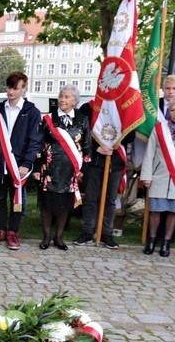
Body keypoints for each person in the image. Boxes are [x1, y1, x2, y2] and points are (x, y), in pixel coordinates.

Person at [0, 72, 43, 250]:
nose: (11, 91)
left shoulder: (32, 112)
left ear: (24, 89)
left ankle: (13, 232)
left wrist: (26, 163)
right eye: (9, 87)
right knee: (0, 198)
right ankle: (0, 230)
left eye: (15, 88)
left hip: (19, 165)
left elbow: (35, 141)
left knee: (17, 199)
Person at [73, 99, 135, 250]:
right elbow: (81, 132)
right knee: (91, 198)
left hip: (115, 160)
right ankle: (88, 231)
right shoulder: (88, 107)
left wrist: (114, 141)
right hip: (95, 160)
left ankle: (106, 233)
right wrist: (96, 148)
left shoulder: (123, 107)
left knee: (110, 199)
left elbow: (131, 134)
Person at [35, 85, 91, 251]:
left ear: (75, 101)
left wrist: (84, 169)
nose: (62, 99)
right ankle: (46, 237)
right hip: (50, 169)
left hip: (71, 171)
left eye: (67, 97)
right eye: (61, 96)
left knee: (64, 205)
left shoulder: (82, 119)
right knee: (47, 204)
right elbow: (39, 145)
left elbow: (87, 145)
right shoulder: (48, 119)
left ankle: (58, 237)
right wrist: (37, 167)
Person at [141, 99, 175, 257]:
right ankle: (152, 240)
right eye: (173, 110)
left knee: (172, 212)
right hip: (158, 176)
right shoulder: (160, 128)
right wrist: (147, 175)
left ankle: (166, 242)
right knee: (155, 210)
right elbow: (149, 153)